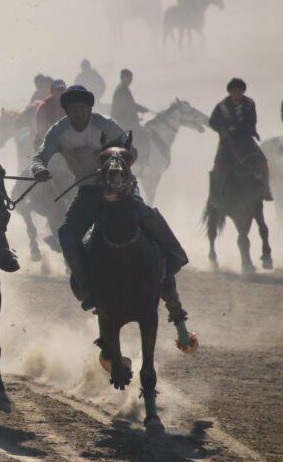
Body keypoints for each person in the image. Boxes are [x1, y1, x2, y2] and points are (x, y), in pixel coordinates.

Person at [31, 86, 188, 312]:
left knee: (148, 217)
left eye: (83, 108)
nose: (78, 113)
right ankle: (87, 287)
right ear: (66, 111)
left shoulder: (105, 125)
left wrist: (116, 169)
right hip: (87, 192)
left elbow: (131, 151)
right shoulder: (59, 131)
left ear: (90, 108)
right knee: (66, 234)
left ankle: (174, 255)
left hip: (121, 188)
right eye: (73, 109)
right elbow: (40, 156)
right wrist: (38, 169)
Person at [209, 77, 273, 201]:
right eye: (234, 91)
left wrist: (246, 129)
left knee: (263, 161)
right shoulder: (222, 106)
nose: (236, 94)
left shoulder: (249, 103)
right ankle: (214, 194)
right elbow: (213, 122)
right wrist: (223, 131)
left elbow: (252, 120)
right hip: (227, 140)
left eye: (239, 91)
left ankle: (266, 189)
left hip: (245, 138)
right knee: (217, 165)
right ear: (230, 92)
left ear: (243, 91)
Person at [110, 68, 149, 133]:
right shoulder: (121, 90)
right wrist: (140, 109)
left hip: (124, 120)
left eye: (131, 78)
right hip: (121, 121)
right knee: (140, 133)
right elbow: (128, 106)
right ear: (123, 78)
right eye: (129, 78)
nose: (130, 80)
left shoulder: (124, 89)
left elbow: (130, 105)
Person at [34, 79, 67, 147]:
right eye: (57, 90)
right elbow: (41, 128)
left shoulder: (69, 105)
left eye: (62, 89)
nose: (60, 92)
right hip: (46, 138)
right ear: (52, 91)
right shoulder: (44, 106)